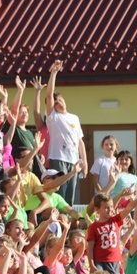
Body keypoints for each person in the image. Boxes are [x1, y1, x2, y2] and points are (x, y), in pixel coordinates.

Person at [45, 60, 87, 205]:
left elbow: (80, 141)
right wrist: (54, 73)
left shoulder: (74, 117)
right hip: (58, 158)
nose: (59, 104)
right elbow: (49, 95)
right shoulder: (53, 118)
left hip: (73, 160)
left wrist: (85, 162)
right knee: (59, 193)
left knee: (70, 196)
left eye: (60, 100)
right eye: (56, 103)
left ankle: (68, 224)